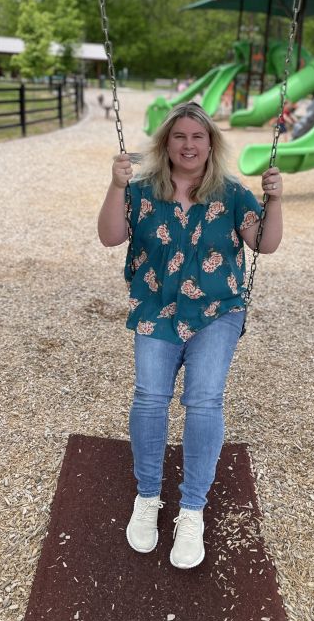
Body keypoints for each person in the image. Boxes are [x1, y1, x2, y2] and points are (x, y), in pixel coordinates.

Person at [97, 101, 283, 569]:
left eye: (197, 137)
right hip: (156, 309)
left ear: (211, 144)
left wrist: (275, 201)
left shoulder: (234, 195)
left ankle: (193, 509)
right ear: (166, 143)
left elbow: (265, 244)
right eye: (179, 136)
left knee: (203, 400)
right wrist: (115, 186)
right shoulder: (141, 192)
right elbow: (110, 236)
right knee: (149, 397)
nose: (188, 145)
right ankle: (147, 497)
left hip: (217, 311)